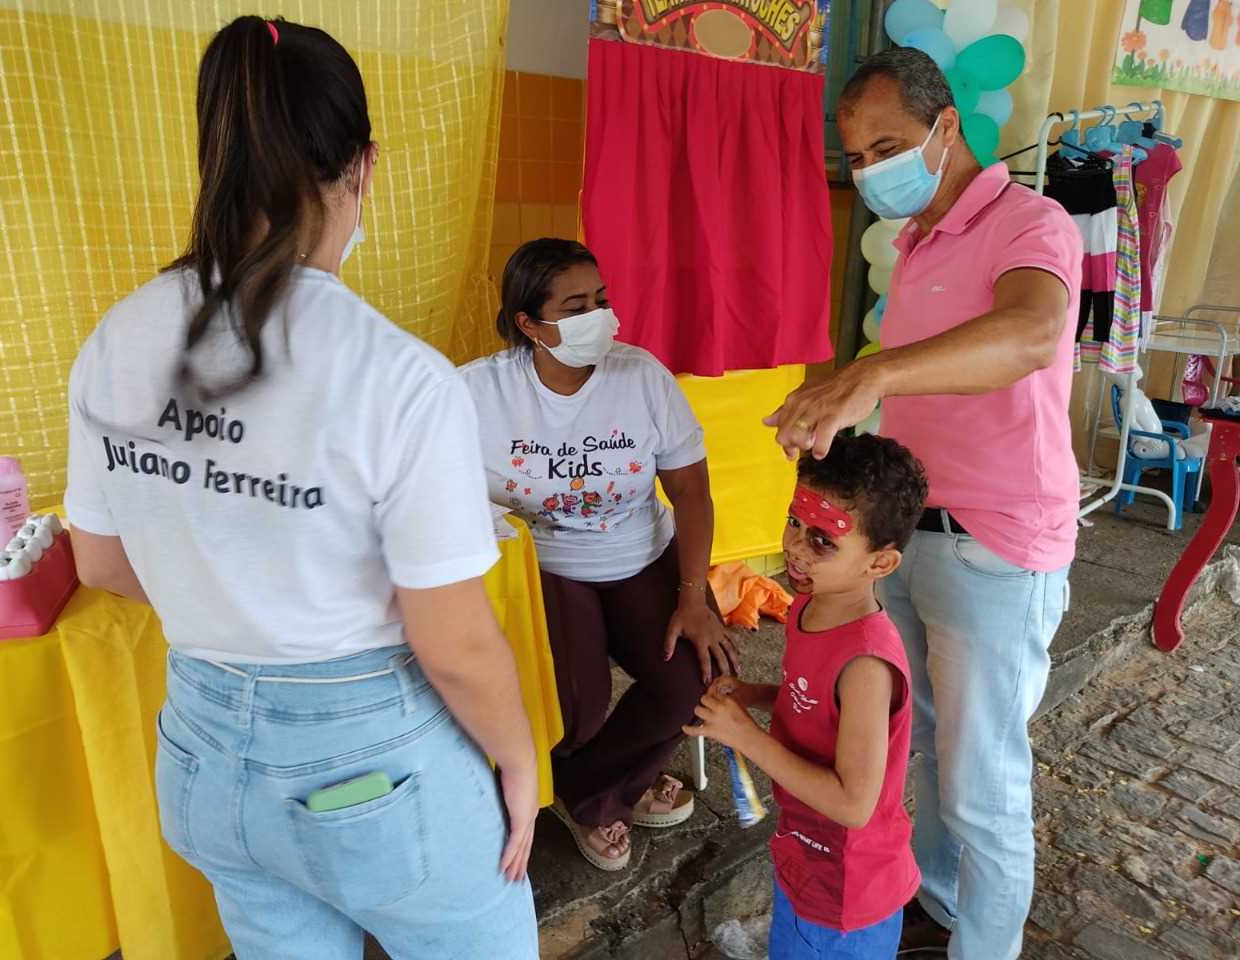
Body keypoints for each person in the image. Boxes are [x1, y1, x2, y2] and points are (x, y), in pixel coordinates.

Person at [65, 17, 539, 959]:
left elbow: (102, 565)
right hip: (370, 766)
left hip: (201, 753)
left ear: (217, 155)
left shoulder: (116, 338)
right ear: (364, 167)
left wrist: (236, 599)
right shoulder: (400, 377)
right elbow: (451, 640)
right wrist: (519, 757)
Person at [767, 48, 1082, 959]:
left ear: (947, 126)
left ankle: (986, 946)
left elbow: (1029, 333)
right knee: (925, 741)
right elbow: (924, 387)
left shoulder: (1032, 221)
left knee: (981, 784)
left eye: (887, 147)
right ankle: (939, 907)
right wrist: (839, 409)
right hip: (905, 538)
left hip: (993, 543)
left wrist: (872, 373)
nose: (871, 172)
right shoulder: (914, 244)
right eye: (857, 157)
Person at [460, 238, 738, 871]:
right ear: (529, 324)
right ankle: (606, 784)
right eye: (575, 307)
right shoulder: (477, 392)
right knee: (573, 712)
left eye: (601, 300)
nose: (599, 317)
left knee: (698, 681)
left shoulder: (641, 378)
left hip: (643, 555)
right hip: (545, 567)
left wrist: (693, 597)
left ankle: (587, 793)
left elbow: (690, 492)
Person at [685, 435, 928, 959]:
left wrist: (745, 736)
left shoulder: (865, 666)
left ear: (880, 564)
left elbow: (853, 804)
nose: (795, 546)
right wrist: (752, 695)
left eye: (822, 540)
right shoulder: (809, 607)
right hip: (807, 857)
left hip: (846, 891)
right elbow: (813, 704)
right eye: (794, 522)